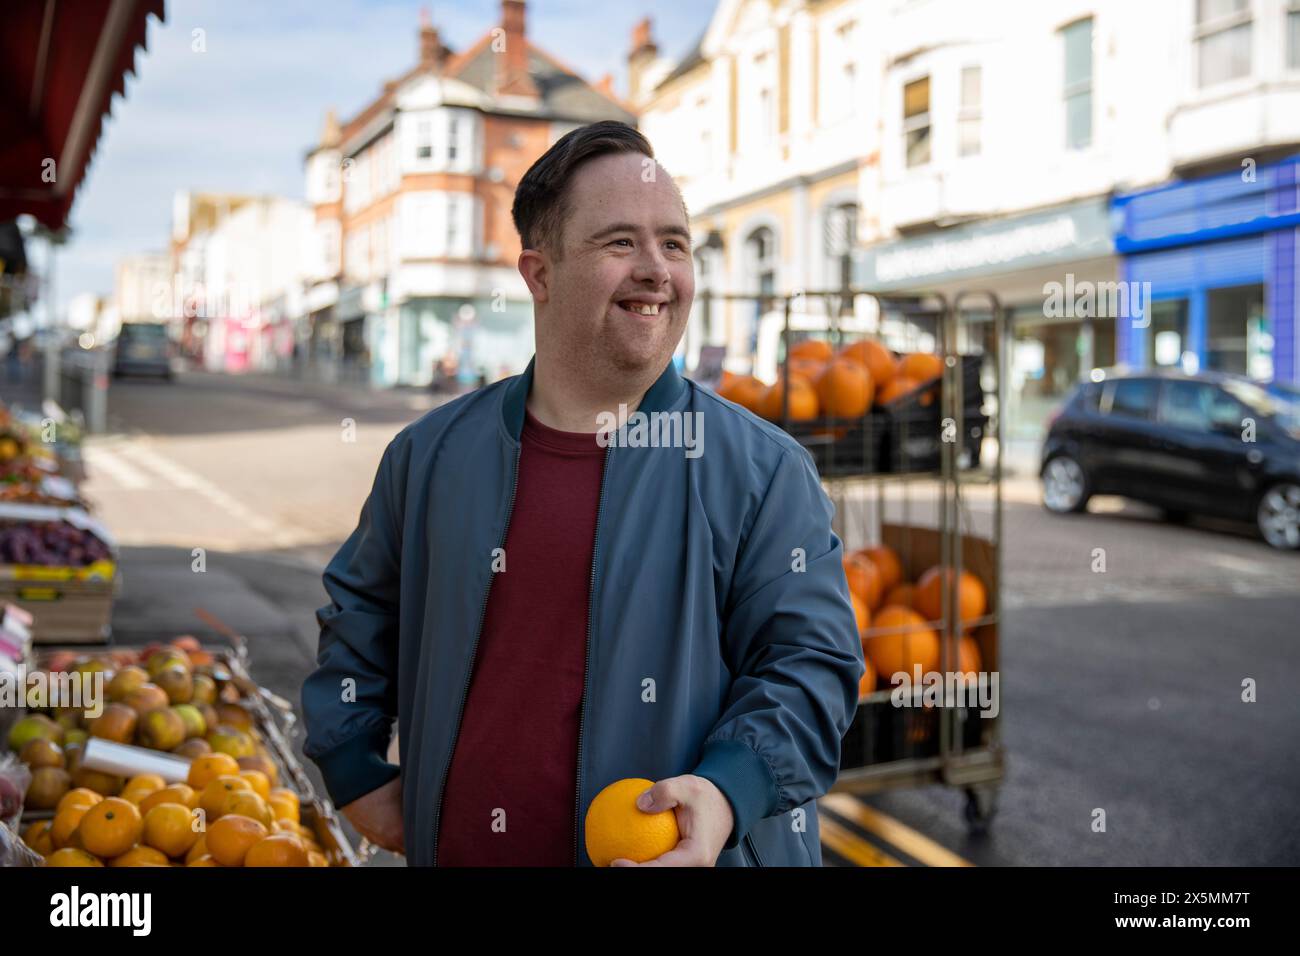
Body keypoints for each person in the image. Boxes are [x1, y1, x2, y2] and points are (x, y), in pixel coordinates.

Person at [301, 121, 863, 867]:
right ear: (539, 273)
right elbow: (361, 611)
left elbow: (812, 666)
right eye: (621, 243)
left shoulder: (763, 472)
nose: (658, 270)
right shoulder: (430, 457)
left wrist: (728, 791)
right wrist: (351, 764)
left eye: (674, 243)